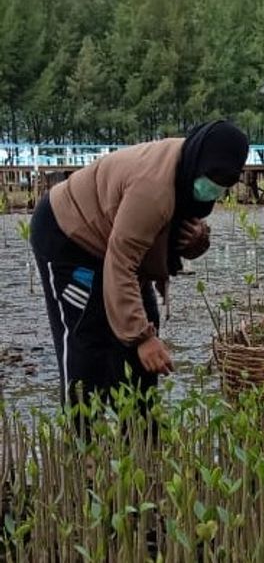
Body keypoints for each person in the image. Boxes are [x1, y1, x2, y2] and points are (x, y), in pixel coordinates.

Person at [30, 120, 249, 409]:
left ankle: (140, 437)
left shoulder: (187, 170)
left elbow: (164, 238)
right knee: (88, 337)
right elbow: (121, 263)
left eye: (223, 184)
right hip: (69, 236)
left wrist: (198, 239)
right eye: (211, 178)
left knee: (145, 326)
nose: (213, 188)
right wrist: (141, 338)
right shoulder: (153, 189)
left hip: (114, 244)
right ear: (199, 162)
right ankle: (84, 442)